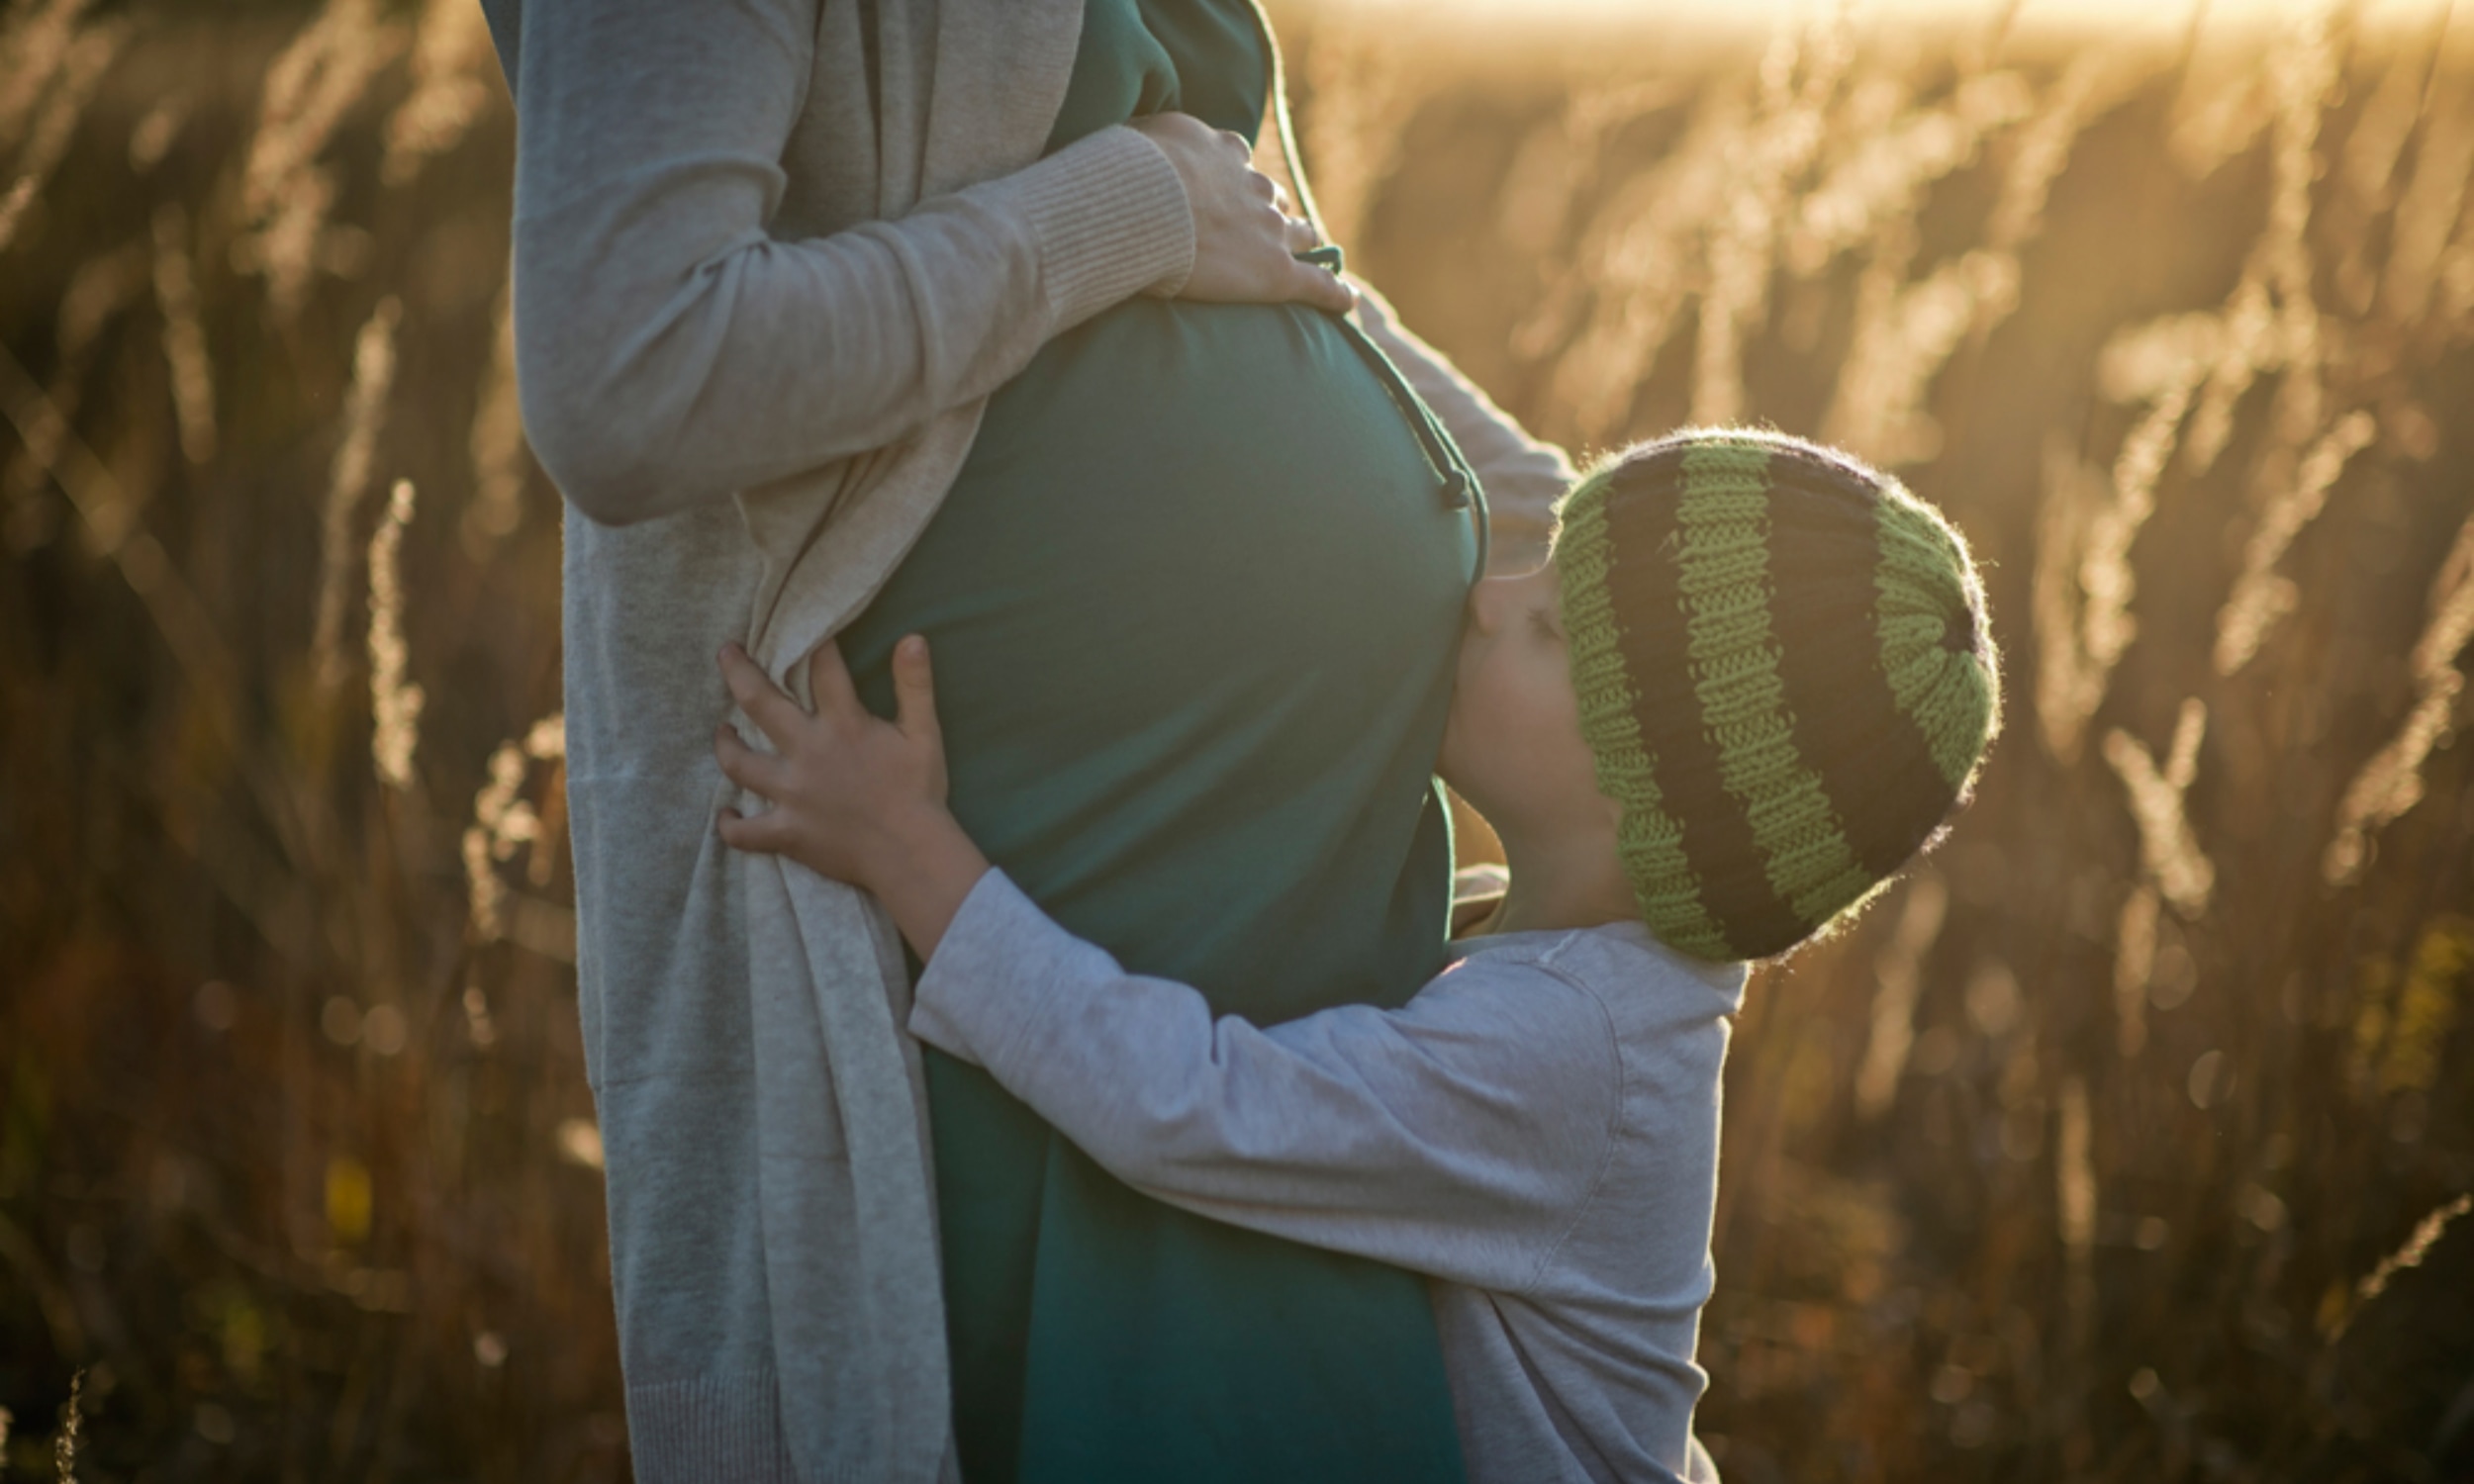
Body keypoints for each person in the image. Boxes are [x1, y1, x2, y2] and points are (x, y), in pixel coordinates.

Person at [480, 0, 1573, 1477]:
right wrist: (1120, 210)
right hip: (999, 999)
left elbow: (1265, 253)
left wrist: (1631, 575)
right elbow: (634, 375)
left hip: (1263, 1001)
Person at [711, 428, 2006, 1484]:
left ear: (1654, 802)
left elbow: (1194, 1110)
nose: (1488, 603)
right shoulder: (1582, 969)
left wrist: (912, 854)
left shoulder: (1570, 1056)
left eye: (1548, 631)